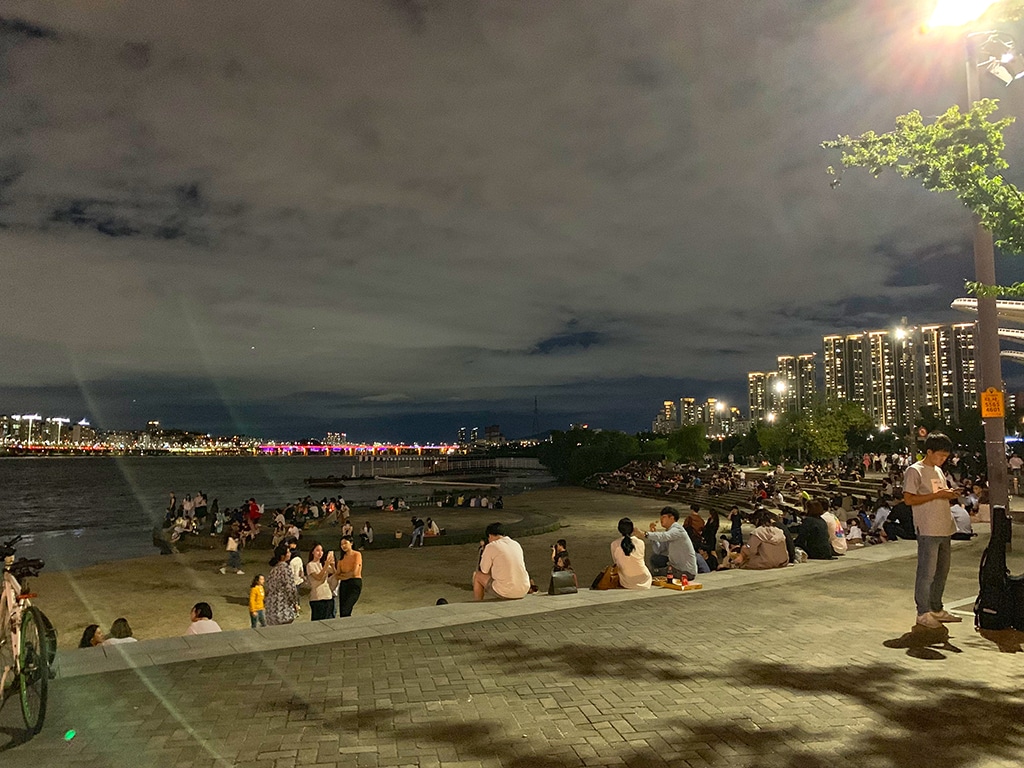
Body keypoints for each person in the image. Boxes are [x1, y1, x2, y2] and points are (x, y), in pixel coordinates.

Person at [903, 432, 961, 629]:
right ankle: (923, 611)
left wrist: (948, 495)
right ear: (929, 451)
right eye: (940, 455)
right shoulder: (915, 470)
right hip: (927, 527)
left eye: (946, 456)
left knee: (942, 571)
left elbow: (938, 494)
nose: (943, 460)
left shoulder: (938, 470)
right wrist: (937, 495)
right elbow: (909, 499)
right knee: (926, 573)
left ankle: (936, 607)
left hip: (945, 526)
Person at [634, 507, 697, 580]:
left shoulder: (678, 530)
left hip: (685, 572)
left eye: (664, 517)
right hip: (675, 568)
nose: (661, 519)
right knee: (655, 560)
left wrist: (645, 534)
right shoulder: (670, 532)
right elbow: (659, 550)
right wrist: (653, 534)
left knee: (651, 573)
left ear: (672, 518)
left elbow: (664, 536)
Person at [473, 522, 531, 600]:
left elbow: (484, 570)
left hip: (506, 591)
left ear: (490, 536)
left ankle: (478, 601)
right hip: (524, 589)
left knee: (477, 576)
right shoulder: (515, 544)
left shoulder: (491, 546)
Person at [611, 517, 652, 589]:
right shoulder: (640, 543)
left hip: (626, 580)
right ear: (632, 529)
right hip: (644, 578)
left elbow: (616, 562)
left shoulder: (614, 544)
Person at [265, 544, 299, 626]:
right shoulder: (286, 568)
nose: (290, 553)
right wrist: (295, 603)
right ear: (283, 556)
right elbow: (291, 588)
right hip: (283, 608)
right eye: (288, 552)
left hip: (271, 608)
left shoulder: (273, 570)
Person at [306, 543, 336, 620]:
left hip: (328, 595)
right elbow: (319, 577)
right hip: (317, 597)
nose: (320, 553)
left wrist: (332, 565)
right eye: (317, 550)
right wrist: (326, 566)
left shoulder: (322, 564)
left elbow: (336, 574)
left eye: (321, 551)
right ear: (312, 552)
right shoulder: (310, 565)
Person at [336, 535, 363, 617]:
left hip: (355, 583)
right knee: (343, 610)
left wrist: (343, 576)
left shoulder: (357, 554)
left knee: (347, 607)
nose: (343, 546)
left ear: (351, 543)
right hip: (344, 585)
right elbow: (337, 575)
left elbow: (355, 573)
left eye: (345, 543)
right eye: (341, 544)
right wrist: (347, 575)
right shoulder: (341, 559)